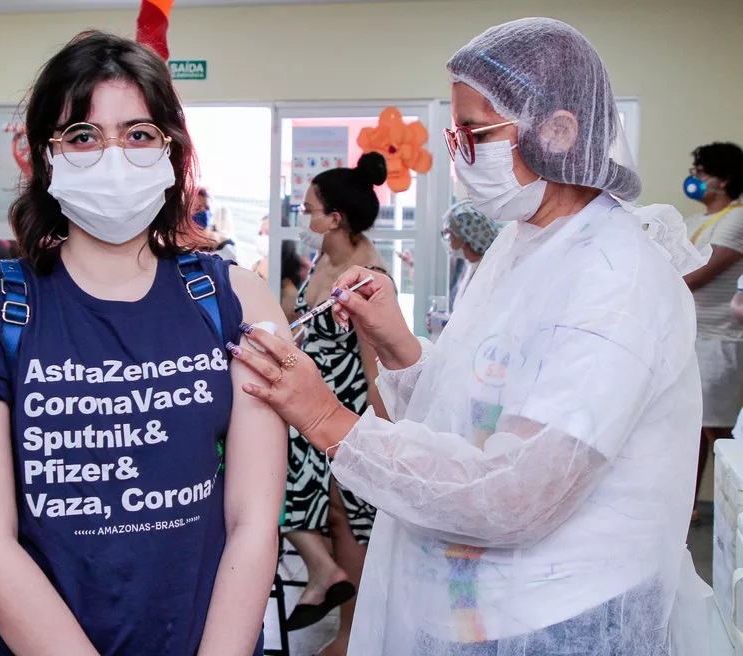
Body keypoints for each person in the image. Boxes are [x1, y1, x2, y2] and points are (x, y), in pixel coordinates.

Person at [228, 18, 709, 656]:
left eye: (476, 133)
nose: (460, 154)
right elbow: (478, 406)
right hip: (477, 605)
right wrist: (397, 344)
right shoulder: (524, 243)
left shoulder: (618, 277)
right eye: (454, 135)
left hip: (559, 614)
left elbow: (519, 491)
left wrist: (326, 419)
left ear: (559, 130)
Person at [0, 31, 286, 656]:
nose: (114, 156)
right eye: (83, 136)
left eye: (138, 134)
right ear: (45, 155)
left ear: (171, 151)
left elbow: (253, 523)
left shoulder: (237, 301)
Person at [282, 153, 389, 655]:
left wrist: (383, 429)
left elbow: (374, 363)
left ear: (335, 218)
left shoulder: (366, 275)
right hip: (310, 401)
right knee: (321, 511)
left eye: (310, 211)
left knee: (351, 520)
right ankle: (325, 577)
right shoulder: (324, 262)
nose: (305, 220)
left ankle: (350, 634)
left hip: (345, 406)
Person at [682, 142, 743, 521]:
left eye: (700, 172)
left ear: (722, 179)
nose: (693, 178)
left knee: (717, 428)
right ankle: (688, 507)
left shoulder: (737, 220)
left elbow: (699, 274)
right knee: (694, 426)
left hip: (720, 339)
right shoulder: (694, 221)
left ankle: (733, 504)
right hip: (692, 336)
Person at [441, 200, 499, 308]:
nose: (449, 240)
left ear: (466, 236)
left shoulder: (489, 274)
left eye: (451, 234)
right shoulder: (469, 266)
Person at [193, 188, 238, 262]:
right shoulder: (183, 244)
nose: (203, 211)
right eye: (197, 208)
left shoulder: (225, 247)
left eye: (207, 208)